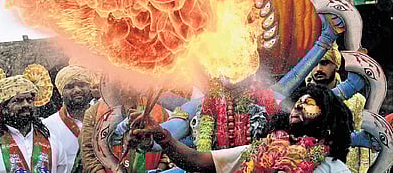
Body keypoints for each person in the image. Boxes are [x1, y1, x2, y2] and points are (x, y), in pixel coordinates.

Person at [130, 84, 354, 173]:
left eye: (309, 103)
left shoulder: (334, 168)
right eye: (299, 101)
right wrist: (162, 135)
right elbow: (198, 161)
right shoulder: (259, 151)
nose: (299, 105)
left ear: (327, 121)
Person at [0, 75, 68, 173]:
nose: (25, 104)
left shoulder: (52, 142)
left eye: (29, 100)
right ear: (3, 107)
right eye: (18, 101)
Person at [81, 79, 170, 173]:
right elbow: (88, 151)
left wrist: (160, 168)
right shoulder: (94, 112)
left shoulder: (158, 111)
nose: (125, 85)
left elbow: (168, 147)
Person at [306, 43, 370, 173]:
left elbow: (365, 145)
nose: (318, 68)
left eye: (324, 63)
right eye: (314, 63)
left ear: (336, 65)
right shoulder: (302, 99)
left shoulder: (357, 100)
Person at [43, 66, 92, 173]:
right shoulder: (47, 126)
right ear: (61, 92)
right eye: (70, 87)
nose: (77, 90)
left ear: (90, 88)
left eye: (82, 85)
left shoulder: (103, 119)